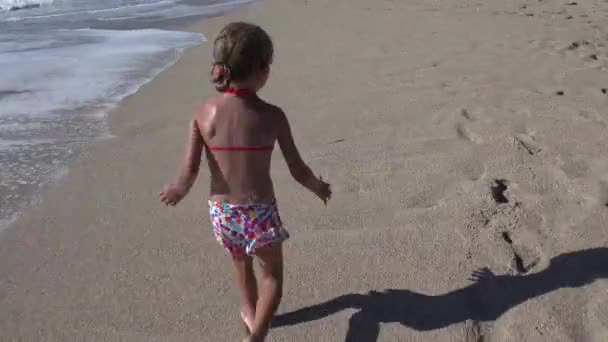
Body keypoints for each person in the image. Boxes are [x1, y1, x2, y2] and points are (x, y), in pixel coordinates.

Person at [159, 22, 332, 342]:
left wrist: (178, 190)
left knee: (240, 261)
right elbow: (297, 168)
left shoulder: (202, 112)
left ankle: (250, 313)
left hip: (222, 213)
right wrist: (319, 187)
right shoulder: (272, 115)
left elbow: (189, 171)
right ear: (262, 68)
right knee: (273, 279)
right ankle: (258, 334)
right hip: (259, 212)